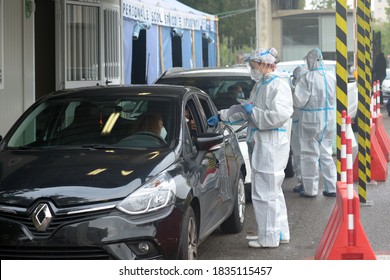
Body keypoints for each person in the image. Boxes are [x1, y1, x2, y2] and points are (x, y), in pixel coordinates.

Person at [208, 47, 293, 248]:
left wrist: (253, 112)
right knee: (273, 192)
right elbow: (246, 109)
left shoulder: (277, 85)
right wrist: (223, 115)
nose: (251, 69)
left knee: (265, 193)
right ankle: (279, 233)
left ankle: (268, 238)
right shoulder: (262, 84)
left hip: (270, 143)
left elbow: (278, 116)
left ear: (265, 64)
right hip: (264, 143)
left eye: (253, 66)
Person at [293, 48, 337, 197]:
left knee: (309, 154)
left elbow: (298, 101)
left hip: (311, 121)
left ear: (311, 60)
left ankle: (310, 190)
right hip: (329, 119)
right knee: (326, 154)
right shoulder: (331, 77)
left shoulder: (307, 78)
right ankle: (331, 188)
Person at [290, 65, 309, 193]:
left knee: (300, 154)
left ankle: (304, 181)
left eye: (295, 77)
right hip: (300, 124)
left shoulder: (301, 90)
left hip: (299, 125)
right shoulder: (299, 89)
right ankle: (304, 181)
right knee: (301, 154)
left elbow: (297, 104)